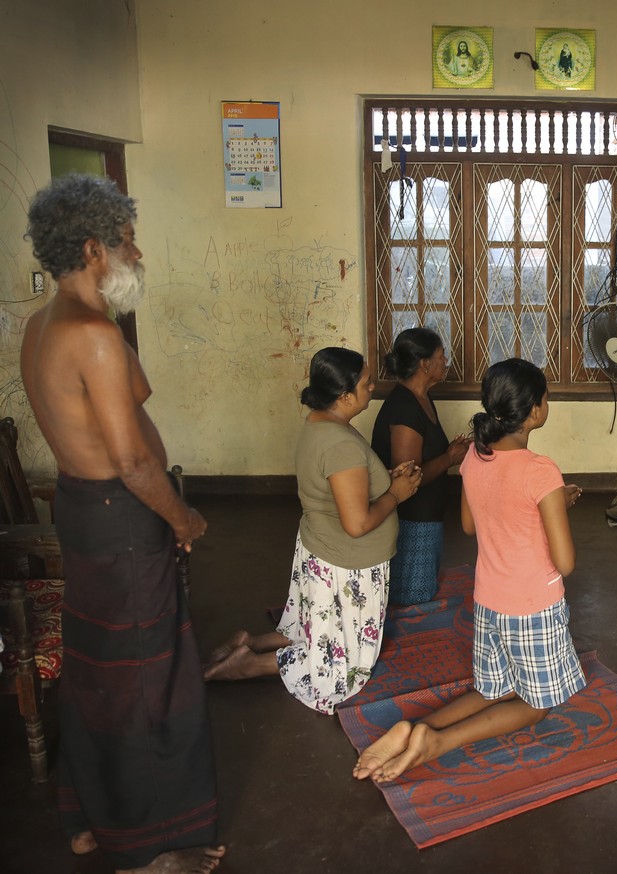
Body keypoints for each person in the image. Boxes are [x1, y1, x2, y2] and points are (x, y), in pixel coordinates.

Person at [20, 173, 224, 873]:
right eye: (126, 241)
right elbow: (134, 460)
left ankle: (89, 819)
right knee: (145, 680)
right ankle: (143, 851)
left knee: (98, 675)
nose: (137, 252)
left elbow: (134, 394)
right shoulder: (94, 335)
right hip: (122, 518)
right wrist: (184, 518)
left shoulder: (44, 322)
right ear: (91, 249)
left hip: (81, 511)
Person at [352, 358, 584, 782]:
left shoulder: (475, 459)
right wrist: (556, 505)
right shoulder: (541, 470)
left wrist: (549, 504)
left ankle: (416, 728)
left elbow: (470, 525)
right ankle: (436, 742)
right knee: (536, 704)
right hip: (532, 606)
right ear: (534, 410)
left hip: (489, 602)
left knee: (492, 688)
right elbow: (565, 562)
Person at [203, 348, 422, 713]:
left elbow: (344, 487)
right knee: (339, 664)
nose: (373, 388)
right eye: (367, 384)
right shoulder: (341, 445)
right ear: (345, 396)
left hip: (321, 549)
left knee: (318, 626)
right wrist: (396, 495)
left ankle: (251, 641)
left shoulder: (321, 422)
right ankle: (249, 665)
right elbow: (357, 524)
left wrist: (385, 483)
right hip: (347, 563)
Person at [370, 328, 470, 606]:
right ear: (425, 365)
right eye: (441, 356)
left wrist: (451, 451)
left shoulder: (422, 397)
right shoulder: (404, 407)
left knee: (423, 590)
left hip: (427, 513)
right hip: (410, 520)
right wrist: (449, 457)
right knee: (412, 599)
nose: (445, 361)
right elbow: (407, 478)